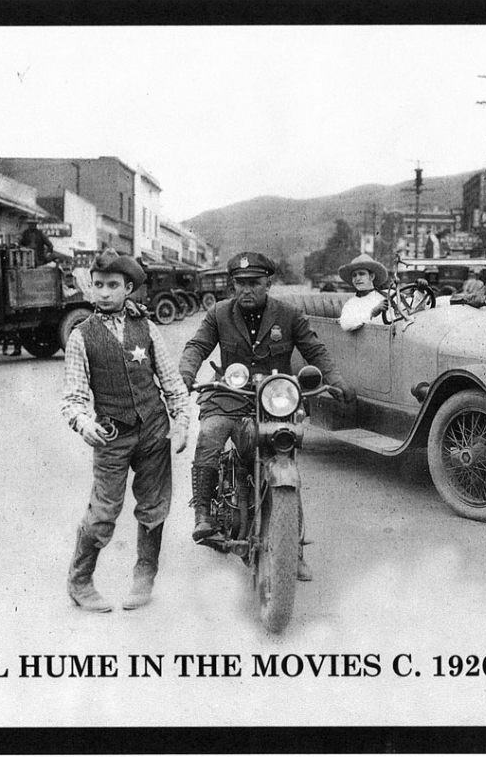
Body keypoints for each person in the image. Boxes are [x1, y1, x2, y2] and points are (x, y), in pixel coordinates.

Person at [178, 252, 355, 581]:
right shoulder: (218, 313)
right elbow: (197, 345)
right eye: (239, 284)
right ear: (233, 285)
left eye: (254, 283)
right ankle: (202, 514)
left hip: (277, 400)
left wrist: (337, 381)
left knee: (286, 462)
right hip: (231, 397)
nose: (246, 290)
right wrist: (185, 373)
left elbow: (316, 350)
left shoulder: (288, 314)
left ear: (268, 284)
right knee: (211, 434)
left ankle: (294, 548)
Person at [61, 250, 190, 613]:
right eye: (98, 285)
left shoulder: (147, 328)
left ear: (128, 288)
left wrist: (180, 423)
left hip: (154, 432)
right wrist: (84, 423)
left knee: (154, 507)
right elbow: (72, 397)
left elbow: (171, 382)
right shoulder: (81, 336)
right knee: (103, 511)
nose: (103, 293)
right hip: (111, 435)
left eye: (113, 285)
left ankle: (144, 576)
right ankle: (80, 581)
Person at [337, 253, 390, 331]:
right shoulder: (351, 304)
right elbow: (346, 324)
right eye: (354, 275)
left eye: (361, 274)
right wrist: (372, 313)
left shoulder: (385, 296)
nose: (357, 278)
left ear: (371, 277)